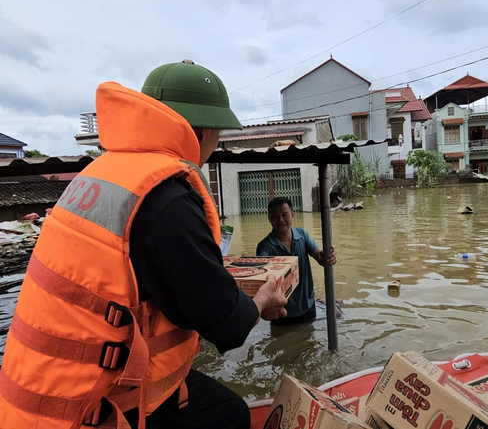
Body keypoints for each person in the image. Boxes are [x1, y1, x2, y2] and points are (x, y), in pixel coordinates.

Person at [0, 60, 287, 429]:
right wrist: (262, 301)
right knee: (230, 417)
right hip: (83, 410)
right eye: (218, 132)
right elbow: (227, 325)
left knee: (221, 408)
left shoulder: (103, 173)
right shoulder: (166, 199)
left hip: (35, 390)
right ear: (201, 131)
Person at [256, 197, 336, 325]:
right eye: (275, 216)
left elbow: (318, 256)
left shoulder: (302, 235)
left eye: (284, 215)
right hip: (281, 313)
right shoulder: (265, 246)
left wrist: (327, 255)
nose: (281, 220)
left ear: (292, 215)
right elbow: (262, 271)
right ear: (269, 219)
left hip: (308, 307)